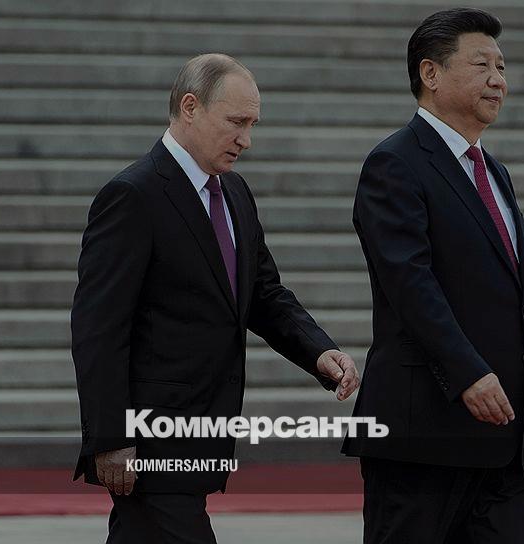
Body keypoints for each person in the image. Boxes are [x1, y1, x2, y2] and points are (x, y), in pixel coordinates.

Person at [70, 53, 359, 544]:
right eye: (236, 122)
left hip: (204, 429)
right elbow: (98, 328)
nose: (247, 139)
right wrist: (110, 437)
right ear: (190, 107)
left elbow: (263, 293)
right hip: (152, 437)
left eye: (252, 125)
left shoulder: (236, 193)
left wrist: (318, 350)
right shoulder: (133, 195)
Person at [342, 8, 524, 543]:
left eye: (502, 67)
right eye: (481, 65)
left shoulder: (493, 171)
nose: (498, 80)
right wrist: (467, 373)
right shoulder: (395, 163)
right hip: (423, 435)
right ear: (430, 73)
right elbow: (410, 283)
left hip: (500, 440)